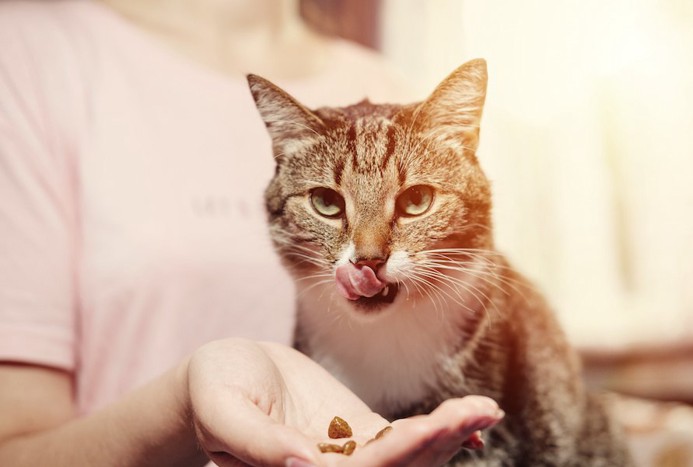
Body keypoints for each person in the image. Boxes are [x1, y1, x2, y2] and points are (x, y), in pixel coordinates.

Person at [0, 0, 504, 465]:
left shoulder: (385, 80)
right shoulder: (27, 53)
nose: (369, 251)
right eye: (328, 202)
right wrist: (187, 406)